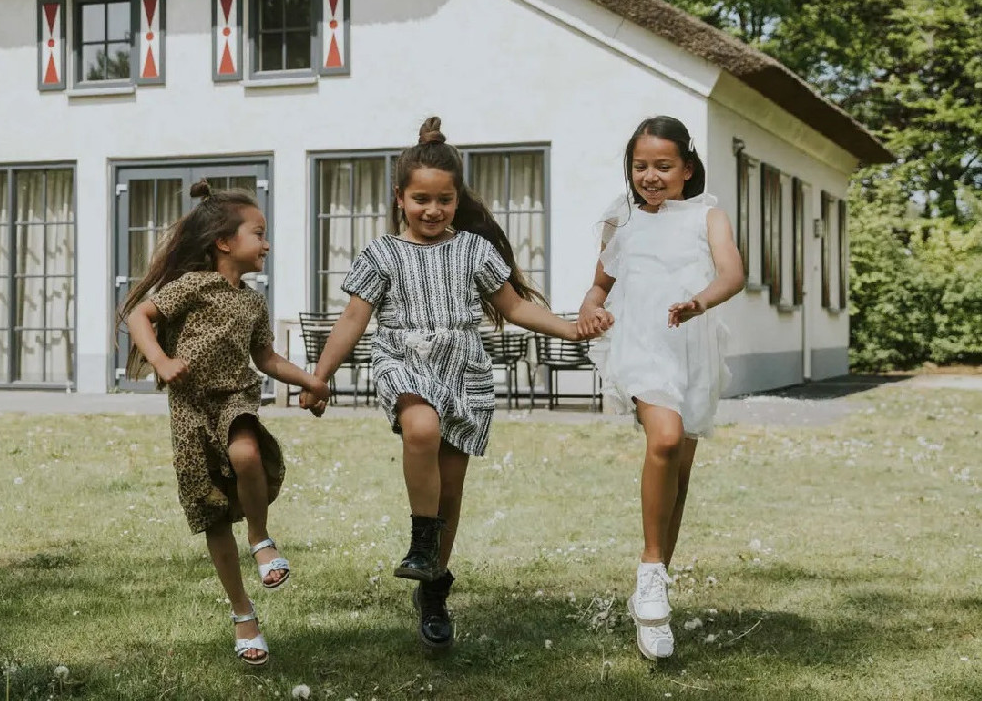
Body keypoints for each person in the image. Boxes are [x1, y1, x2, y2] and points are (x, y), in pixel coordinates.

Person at [304, 117, 608, 653]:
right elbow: (353, 319)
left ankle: (434, 588)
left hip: (464, 370)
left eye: (443, 200)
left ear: (456, 198)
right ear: (400, 197)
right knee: (419, 428)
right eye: (421, 199)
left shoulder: (472, 249)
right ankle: (423, 543)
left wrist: (570, 327)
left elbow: (513, 306)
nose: (432, 210)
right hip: (405, 360)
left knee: (451, 488)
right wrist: (319, 376)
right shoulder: (382, 255)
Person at [122, 181, 332, 666]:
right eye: (257, 233)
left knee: (246, 453)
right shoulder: (193, 286)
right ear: (223, 242)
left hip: (236, 397)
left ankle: (260, 538)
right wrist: (160, 359)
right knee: (214, 512)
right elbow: (139, 316)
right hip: (191, 409)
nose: (267, 243)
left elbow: (265, 357)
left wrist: (312, 381)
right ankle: (243, 614)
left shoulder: (253, 303)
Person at [579, 116, 744, 661]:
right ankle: (651, 571)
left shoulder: (708, 214)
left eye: (663, 166)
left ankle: (654, 599)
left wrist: (700, 300)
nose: (650, 176)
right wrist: (592, 313)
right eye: (641, 165)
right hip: (643, 346)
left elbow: (731, 275)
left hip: (693, 347)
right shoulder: (620, 221)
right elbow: (599, 288)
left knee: (680, 473)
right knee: (665, 440)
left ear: (686, 169)